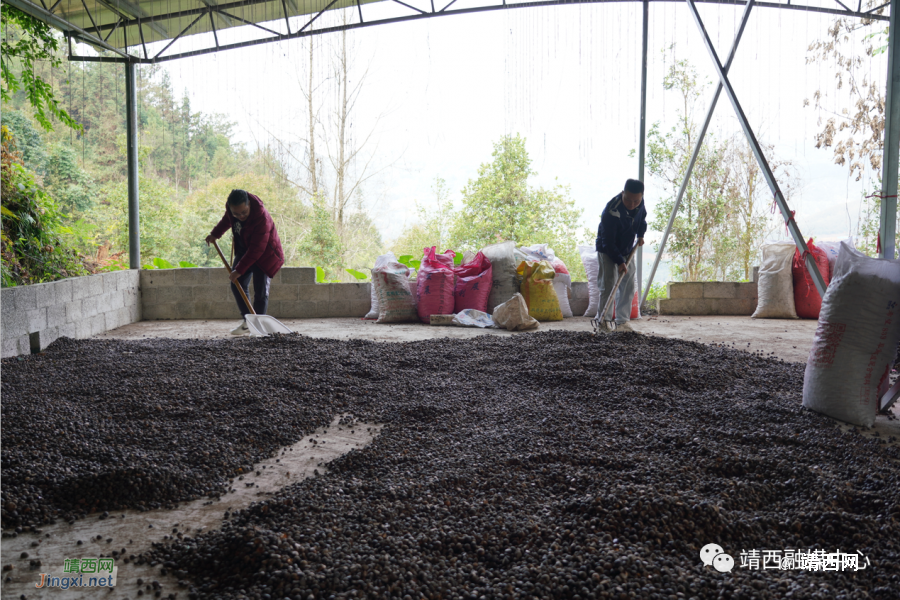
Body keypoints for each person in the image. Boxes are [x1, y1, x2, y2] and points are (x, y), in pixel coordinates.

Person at [206, 189, 285, 336]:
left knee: (261, 293)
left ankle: (258, 327)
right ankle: (248, 323)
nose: (240, 216)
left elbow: (257, 249)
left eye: (244, 212)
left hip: (264, 254)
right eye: (236, 213)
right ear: (231, 208)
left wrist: (239, 269)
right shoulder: (232, 211)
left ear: (249, 204)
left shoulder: (261, 217)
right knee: (237, 284)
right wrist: (215, 234)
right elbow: (227, 220)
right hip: (244, 250)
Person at [595, 178, 647, 332]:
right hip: (608, 250)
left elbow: (642, 219)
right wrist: (619, 261)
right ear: (623, 193)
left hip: (627, 249)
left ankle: (622, 322)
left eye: (636, 201)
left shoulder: (640, 203)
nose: (632, 204)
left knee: (629, 286)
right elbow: (607, 241)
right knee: (608, 286)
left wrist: (641, 235)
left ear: (641, 196)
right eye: (628, 200)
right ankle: (602, 323)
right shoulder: (612, 210)